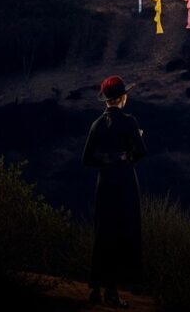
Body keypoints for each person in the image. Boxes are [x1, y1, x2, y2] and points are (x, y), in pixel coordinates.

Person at [82, 75, 147, 308]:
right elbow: (140, 152)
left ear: (106, 100)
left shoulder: (96, 124)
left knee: (103, 231)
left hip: (105, 182)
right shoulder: (129, 122)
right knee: (123, 232)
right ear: (122, 98)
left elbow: (87, 158)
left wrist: (107, 159)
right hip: (125, 182)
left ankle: (95, 288)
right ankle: (112, 290)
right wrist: (127, 153)